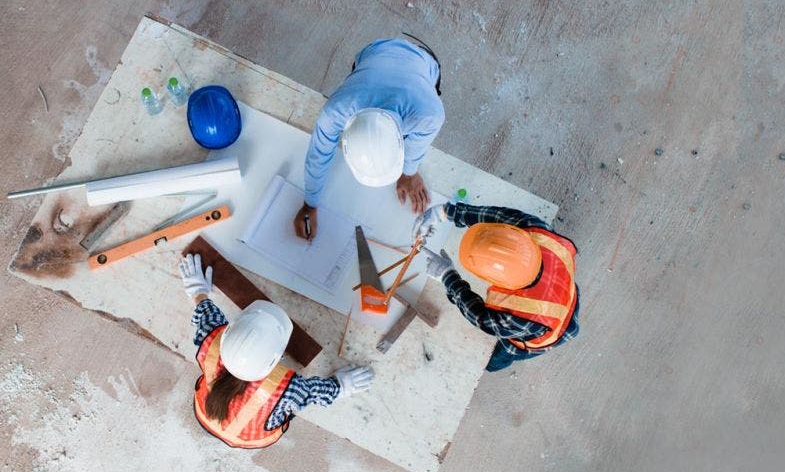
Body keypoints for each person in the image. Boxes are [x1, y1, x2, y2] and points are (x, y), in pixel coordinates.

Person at [178, 253, 374, 448]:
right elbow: (312, 393)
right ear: (276, 360)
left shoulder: (210, 342)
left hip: (205, 415)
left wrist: (198, 292)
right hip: (249, 438)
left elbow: (206, 315)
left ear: (228, 332)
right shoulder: (284, 390)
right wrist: (340, 386)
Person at [294, 37, 445, 241]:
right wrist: (309, 203)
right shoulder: (336, 110)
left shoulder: (428, 114)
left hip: (423, 61)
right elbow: (317, 155)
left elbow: (416, 147)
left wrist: (409, 173)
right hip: (374, 52)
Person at [412, 203, 580, 372]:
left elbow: (480, 317)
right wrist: (443, 213)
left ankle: (491, 366)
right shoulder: (535, 231)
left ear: (495, 280)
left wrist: (447, 277)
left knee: (501, 354)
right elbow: (499, 216)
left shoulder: (517, 316)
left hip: (550, 333)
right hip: (565, 291)